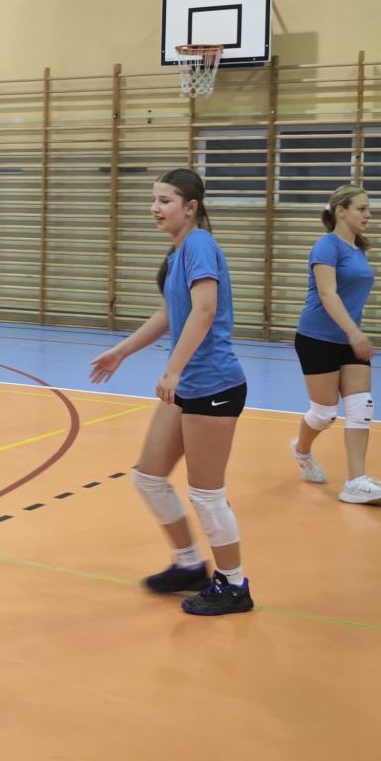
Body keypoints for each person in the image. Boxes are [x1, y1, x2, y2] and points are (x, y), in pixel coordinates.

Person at [89, 168, 253, 616]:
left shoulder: (199, 245)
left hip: (213, 385)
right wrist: (121, 352)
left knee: (206, 495)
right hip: (189, 387)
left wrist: (173, 370)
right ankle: (188, 564)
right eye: (154, 200)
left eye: (165, 201)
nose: (155, 209)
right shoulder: (180, 251)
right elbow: (169, 314)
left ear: (190, 207)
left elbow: (205, 310)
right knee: (149, 477)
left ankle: (234, 585)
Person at [290, 184, 381, 506]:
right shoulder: (326, 246)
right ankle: (301, 451)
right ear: (341, 211)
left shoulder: (358, 250)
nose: (368, 214)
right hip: (317, 337)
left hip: (349, 338)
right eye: (361, 208)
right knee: (323, 414)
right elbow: (327, 294)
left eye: (368, 208)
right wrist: (354, 333)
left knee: (362, 406)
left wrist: (353, 334)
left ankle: (356, 482)